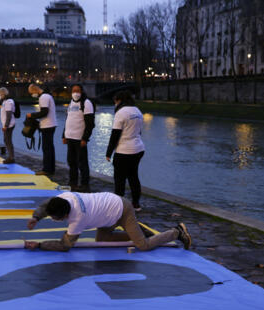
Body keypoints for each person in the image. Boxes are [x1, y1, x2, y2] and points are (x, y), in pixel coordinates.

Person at [25, 191, 192, 252]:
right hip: (106, 213)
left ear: (65, 215)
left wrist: (40, 245)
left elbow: (65, 245)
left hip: (122, 210)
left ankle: (177, 232)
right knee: (102, 241)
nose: (53, 219)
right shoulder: (64, 197)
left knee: (142, 245)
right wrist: (36, 217)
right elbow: (47, 205)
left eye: (55, 218)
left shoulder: (77, 219)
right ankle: (137, 231)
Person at [106, 90, 146, 211]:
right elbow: (139, 131)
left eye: (115, 101)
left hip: (124, 150)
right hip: (138, 148)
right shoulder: (137, 111)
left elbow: (115, 134)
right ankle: (136, 204)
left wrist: (108, 153)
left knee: (119, 178)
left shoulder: (121, 112)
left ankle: (119, 205)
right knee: (133, 177)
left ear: (119, 100)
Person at [63, 83, 95, 191]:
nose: (75, 93)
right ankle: (73, 182)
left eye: (77, 90)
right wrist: (64, 135)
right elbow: (68, 120)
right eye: (73, 91)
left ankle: (85, 184)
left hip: (79, 138)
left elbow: (90, 123)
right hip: (70, 137)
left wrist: (85, 138)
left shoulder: (86, 103)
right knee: (71, 162)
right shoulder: (71, 103)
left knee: (82, 163)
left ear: (81, 91)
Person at [26, 83, 57, 176]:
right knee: (50, 148)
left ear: (35, 90)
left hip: (47, 125)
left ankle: (46, 169)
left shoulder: (43, 97)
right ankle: (51, 168)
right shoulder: (48, 96)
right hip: (51, 124)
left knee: (46, 148)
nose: (32, 95)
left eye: (31, 93)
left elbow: (44, 112)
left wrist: (32, 115)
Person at [0, 87, 17, 164]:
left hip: (9, 125)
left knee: (8, 140)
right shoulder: (6, 101)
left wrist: (6, 126)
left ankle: (11, 157)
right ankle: (11, 156)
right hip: (7, 124)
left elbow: (9, 115)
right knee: (6, 140)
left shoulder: (8, 102)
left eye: (0, 94)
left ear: (3, 94)